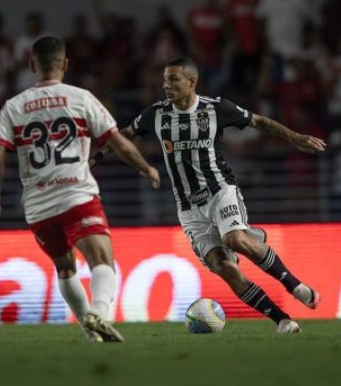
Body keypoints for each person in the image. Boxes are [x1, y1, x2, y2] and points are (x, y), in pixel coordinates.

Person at [91, 56, 326, 333]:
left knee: (234, 238)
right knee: (224, 267)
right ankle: (283, 320)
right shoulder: (156, 114)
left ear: (191, 82)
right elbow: (126, 134)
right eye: (165, 79)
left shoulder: (217, 109)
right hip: (188, 208)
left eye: (173, 79)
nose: (166, 85)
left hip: (220, 191)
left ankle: (295, 286)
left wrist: (296, 138)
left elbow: (259, 122)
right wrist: (96, 157)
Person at [0, 36, 160, 342]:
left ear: (31, 65)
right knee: (103, 261)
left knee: (65, 268)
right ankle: (100, 316)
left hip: (37, 206)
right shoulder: (81, 98)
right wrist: (145, 167)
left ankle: (91, 334)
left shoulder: (13, 106)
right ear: (65, 64)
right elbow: (116, 142)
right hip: (76, 195)